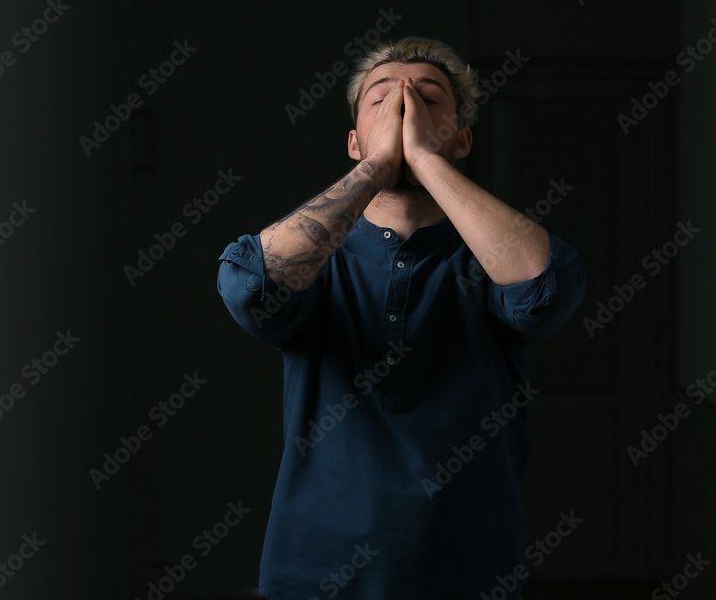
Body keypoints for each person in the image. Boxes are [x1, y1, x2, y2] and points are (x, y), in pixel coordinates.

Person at [217, 36, 585, 599]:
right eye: (381, 99)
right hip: (313, 575)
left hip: (469, 572)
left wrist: (424, 161)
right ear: (353, 140)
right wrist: (378, 167)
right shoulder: (322, 262)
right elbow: (250, 286)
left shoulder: (485, 259)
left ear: (462, 138)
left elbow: (546, 286)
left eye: (429, 98)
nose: (405, 106)